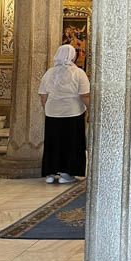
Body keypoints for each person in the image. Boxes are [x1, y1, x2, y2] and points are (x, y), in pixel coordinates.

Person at [38, 44, 90, 183]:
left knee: (53, 142)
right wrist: (91, 109)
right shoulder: (78, 73)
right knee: (71, 143)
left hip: (52, 113)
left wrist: (47, 108)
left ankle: (50, 173)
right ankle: (67, 174)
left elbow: (43, 95)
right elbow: (84, 95)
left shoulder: (49, 72)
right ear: (73, 56)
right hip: (72, 113)